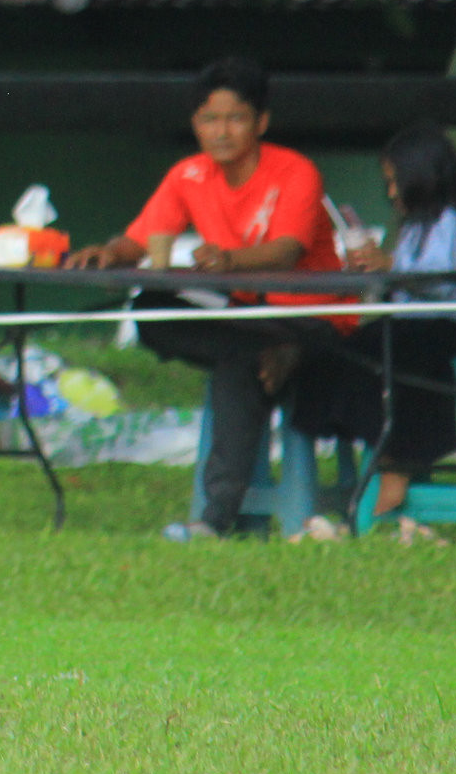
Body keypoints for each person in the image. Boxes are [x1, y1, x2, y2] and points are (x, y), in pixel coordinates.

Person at [65, 57, 344, 537]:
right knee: (151, 310)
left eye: (235, 118)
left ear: (261, 122)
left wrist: (230, 262)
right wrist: (108, 253)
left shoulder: (295, 172)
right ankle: (267, 356)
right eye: (209, 119)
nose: (221, 131)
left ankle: (215, 519)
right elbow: (142, 238)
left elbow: (287, 250)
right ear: (195, 124)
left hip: (311, 317)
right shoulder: (188, 175)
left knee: (239, 359)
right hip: (246, 318)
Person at [310, 122, 456, 534]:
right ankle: (380, 452)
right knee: (343, 350)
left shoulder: (451, 221)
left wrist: (391, 266)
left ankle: (398, 462)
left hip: (441, 329)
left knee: (395, 353)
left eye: (394, 182)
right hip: (408, 325)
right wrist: (372, 270)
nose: (389, 192)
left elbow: (440, 278)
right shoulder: (412, 229)